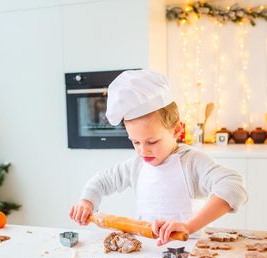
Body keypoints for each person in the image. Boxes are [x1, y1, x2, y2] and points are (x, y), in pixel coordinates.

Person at [69, 70, 247, 245]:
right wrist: (86, 202)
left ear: (177, 130)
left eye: (152, 142)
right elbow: (102, 180)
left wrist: (188, 227)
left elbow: (233, 187)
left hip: (191, 253)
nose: (143, 151)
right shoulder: (136, 166)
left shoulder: (191, 163)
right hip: (146, 251)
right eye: (136, 142)